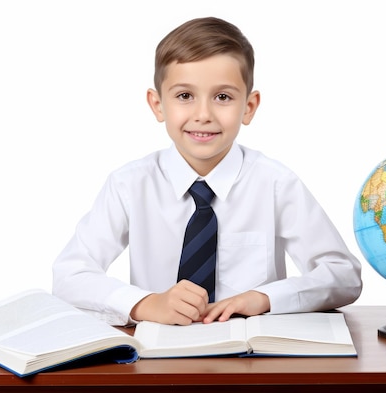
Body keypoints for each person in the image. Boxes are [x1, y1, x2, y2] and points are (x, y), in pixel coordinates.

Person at [52, 16, 362, 327]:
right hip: (157, 361)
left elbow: (343, 274)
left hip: (251, 360)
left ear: (249, 107)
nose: (203, 115)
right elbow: (69, 274)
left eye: (223, 97)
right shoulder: (129, 185)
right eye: (185, 96)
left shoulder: (276, 184)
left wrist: (265, 298)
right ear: (157, 104)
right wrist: (145, 304)